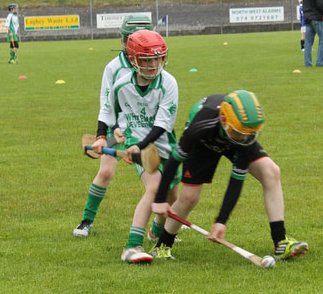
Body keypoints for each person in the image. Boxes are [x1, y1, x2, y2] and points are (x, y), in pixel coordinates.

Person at [151, 90, 309, 261]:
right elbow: (173, 162)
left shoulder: (244, 135)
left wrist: (221, 221)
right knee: (189, 197)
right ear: (224, 121)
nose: (244, 139)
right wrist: (160, 198)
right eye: (240, 133)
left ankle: (280, 242)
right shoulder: (200, 126)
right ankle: (162, 246)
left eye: (248, 133)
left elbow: (236, 181)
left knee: (271, 171)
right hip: (204, 144)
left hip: (229, 135)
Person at [90, 30, 180, 264]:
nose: (153, 66)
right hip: (137, 143)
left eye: (157, 59)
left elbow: (162, 124)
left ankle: (156, 231)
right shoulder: (121, 86)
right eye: (146, 60)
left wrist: (139, 143)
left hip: (164, 145)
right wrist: (104, 135)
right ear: (133, 60)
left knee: (170, 197)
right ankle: (132, 246)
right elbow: (109, 113)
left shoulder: (168, 83)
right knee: (154, 187)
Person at [73, 14, 155, 238]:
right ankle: (86, 220)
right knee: (106, 172)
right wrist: (103, 135)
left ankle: (161, 229)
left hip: (142, 130)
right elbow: (106, 103)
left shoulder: (153, 66)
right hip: (115, 128)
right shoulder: (113, 68)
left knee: (154, 180)